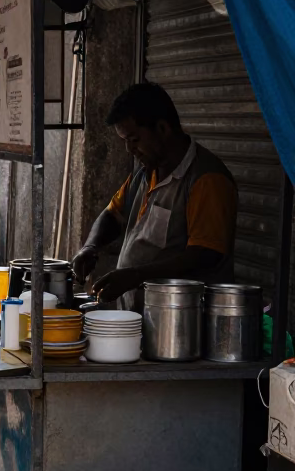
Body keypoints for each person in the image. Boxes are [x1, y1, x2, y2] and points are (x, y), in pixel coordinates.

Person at [72, 82, 238, 306]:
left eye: (134, 139)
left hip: (182, 320)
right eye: (124, 142)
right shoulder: (144, 175)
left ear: (162, 128)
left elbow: (204, 254)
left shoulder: (206, 179)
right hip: (141, 317)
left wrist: (136, 276)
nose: (129, 149)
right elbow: (113, 215)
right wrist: (90, 247)